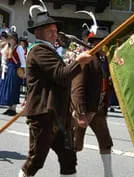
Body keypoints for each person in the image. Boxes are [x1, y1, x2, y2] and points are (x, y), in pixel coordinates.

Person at [18, 5, 94, 177]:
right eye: (50, 31)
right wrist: (79, 62)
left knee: (68, 158)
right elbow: (61, 76)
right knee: (36, 160)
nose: (55, 34)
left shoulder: (49, 50)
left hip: (59, 115)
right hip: (44, 115)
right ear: (38, 32)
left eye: (55, 30)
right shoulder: (39, 51)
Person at [70, 28, 114, 177]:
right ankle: (70, 173)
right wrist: (80, 111)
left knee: (105, 141)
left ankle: (108, 174)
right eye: (105, 43)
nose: (107, 47)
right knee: (75, 143)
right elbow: (77, 86)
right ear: (97, 43)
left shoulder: (104, 59)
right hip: (84, 108)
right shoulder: (87, 58)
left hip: (98, 108)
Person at [0, 27, 26, 116]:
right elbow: (4, 57)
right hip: (8, 68)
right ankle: (9, 107)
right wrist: (4, 65)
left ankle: (13, 108)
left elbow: (22, 61)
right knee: (7, 88)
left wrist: (22, 70)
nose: (8, 40)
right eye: (8, 38)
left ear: (14, 39)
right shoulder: (7, 47)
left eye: (10, 38)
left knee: (13, 88)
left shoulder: (18, 48)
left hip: (15, 69)